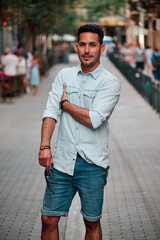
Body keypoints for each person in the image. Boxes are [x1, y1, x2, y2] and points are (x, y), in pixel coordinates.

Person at [38, 24, 120, 240]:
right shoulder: (64, 75)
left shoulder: (110, 82)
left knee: (91, 222)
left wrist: (65, 103)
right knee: (48, 219)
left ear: (101, 48)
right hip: (62, 161)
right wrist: (45, 146)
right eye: (82, 44)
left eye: (92, 45)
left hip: (92, 164)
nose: (86, 50)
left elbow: (94, 119)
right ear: (76, 46)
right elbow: (50, 111)